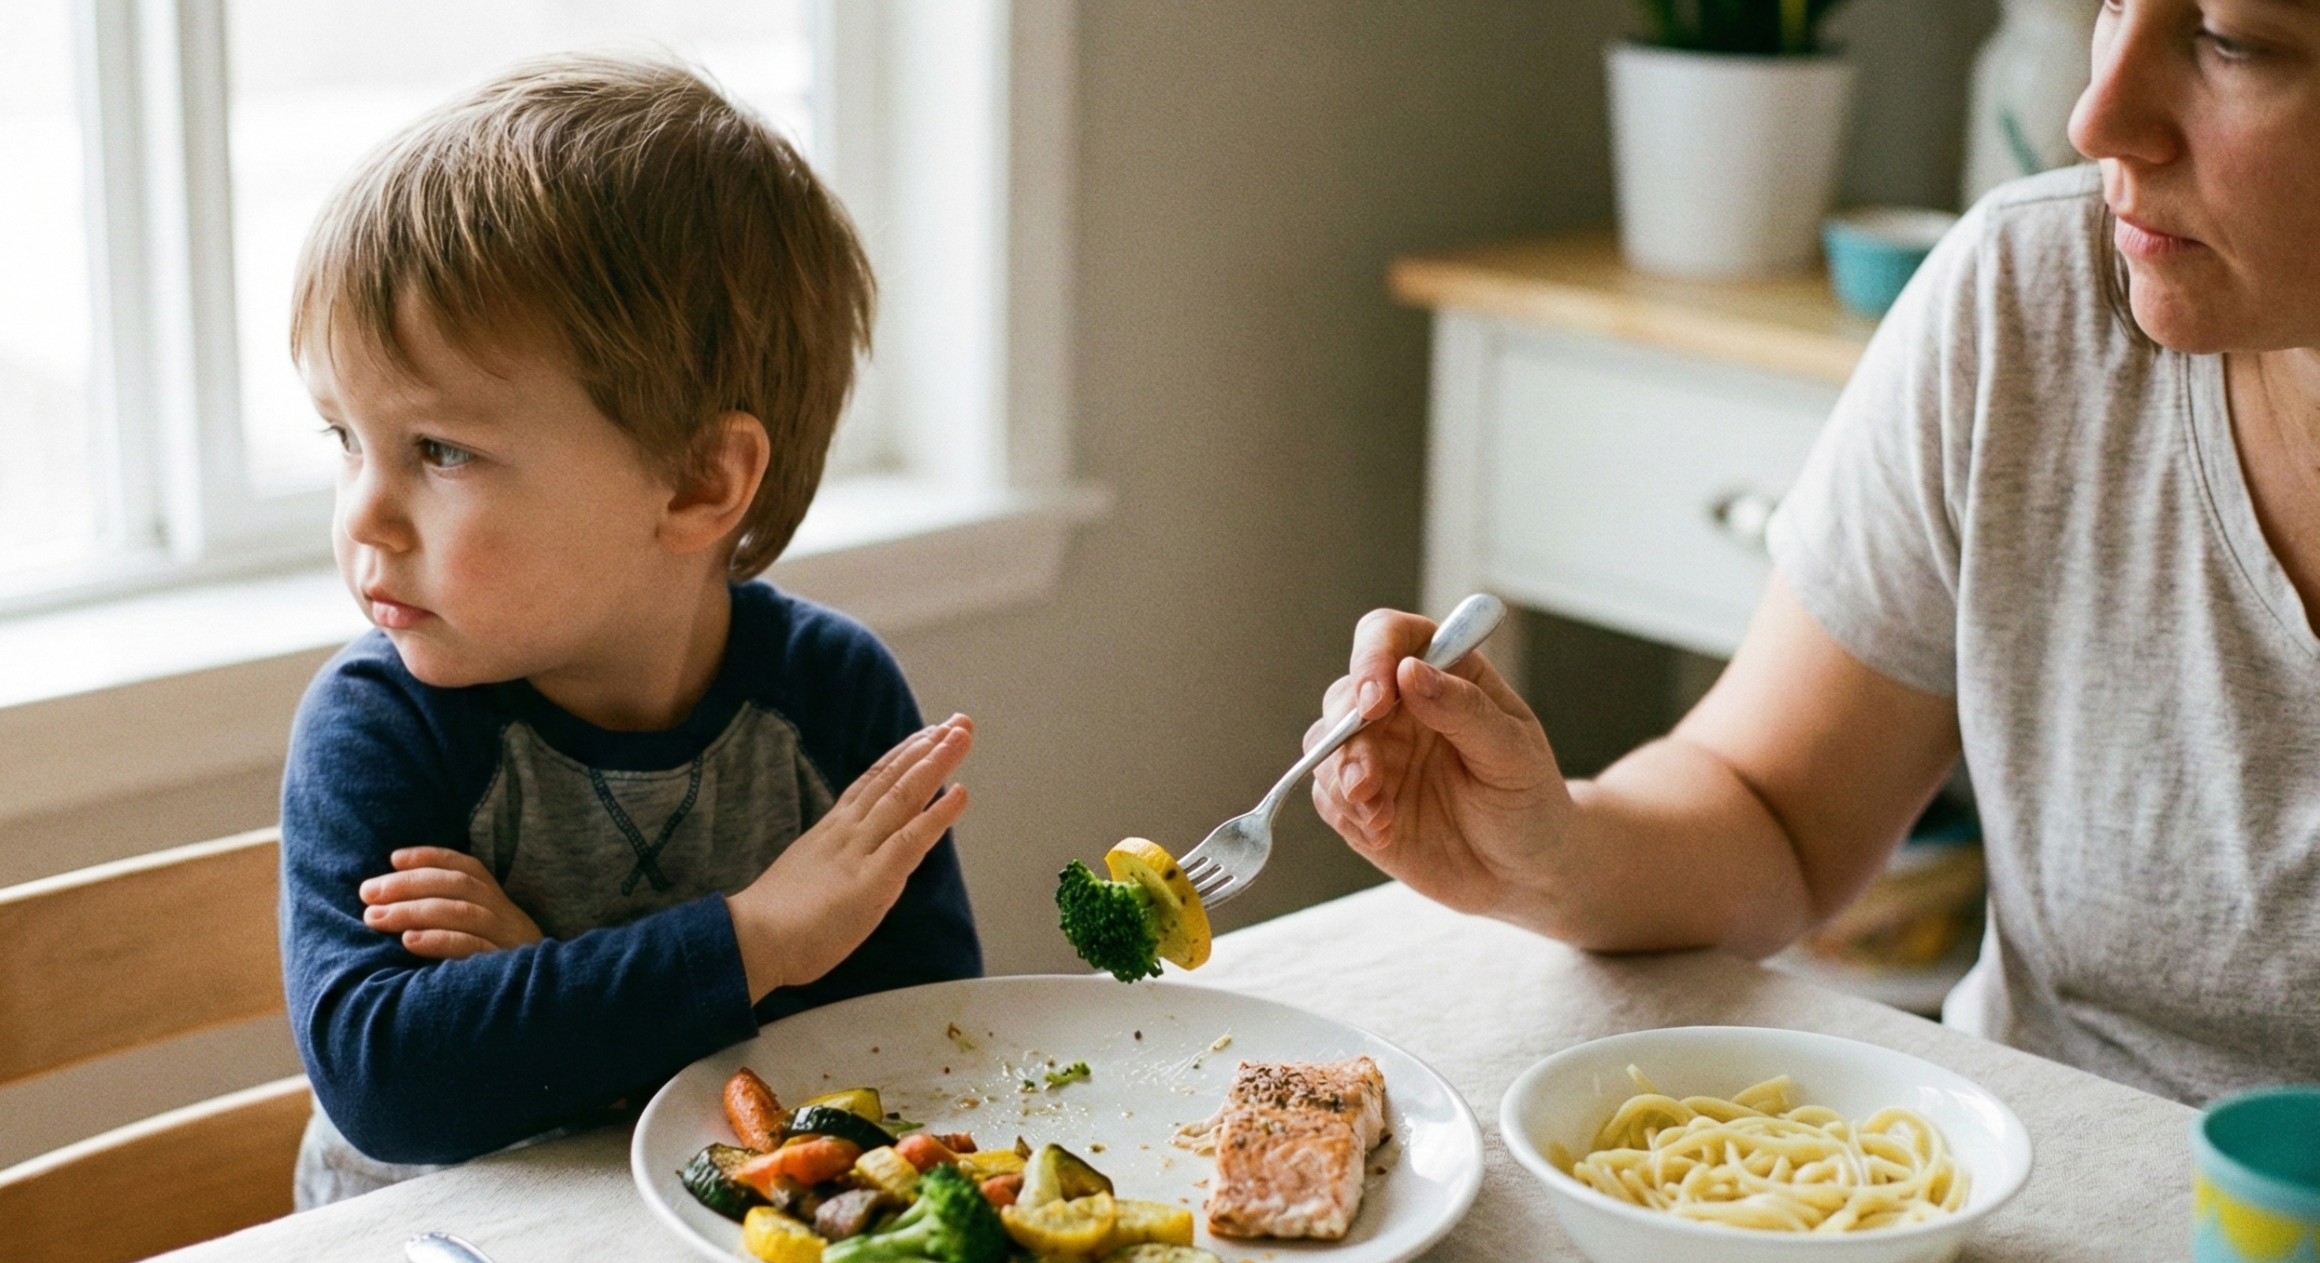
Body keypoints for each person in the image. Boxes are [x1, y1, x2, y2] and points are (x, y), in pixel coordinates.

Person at [1309, 0, 2320, 1108]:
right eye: (2114, 1)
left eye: (2229, 38)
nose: (2097, 117)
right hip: (2047, 1181)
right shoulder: (2026, 298)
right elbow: (1774, 811)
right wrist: (1551, 851)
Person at [277, 55, 982, 1207]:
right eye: (342, 438)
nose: (363, 516)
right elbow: (388, 1077)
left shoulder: (830, 694)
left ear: (699, 482)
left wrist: (537, 992)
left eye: (440, 451)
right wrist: (755, 941)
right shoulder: (380, 721)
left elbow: (914, 1050)